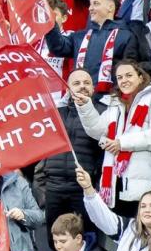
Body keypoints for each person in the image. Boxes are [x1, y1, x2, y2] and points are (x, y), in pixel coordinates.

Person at [76, 60, 151, 217]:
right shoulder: (115, 102)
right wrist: (86, 107)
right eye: (119, 77)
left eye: (129, 75)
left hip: (143, 184)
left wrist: (122, 143)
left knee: (144, 235)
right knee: (122, 237)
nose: (124, 80)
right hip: (115, 183)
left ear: (140, 77)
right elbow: (98, 130)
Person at [36, 69, 106, 231]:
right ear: (68, 89)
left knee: (86, 239)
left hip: (83, 189)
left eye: (86, 83)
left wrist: (95, 186)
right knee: (56, 241)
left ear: (93, 88)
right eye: (76, 83)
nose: (82, 86)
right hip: (53, 188)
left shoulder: (103, 113)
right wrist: (42, 188)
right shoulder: (54, 113)